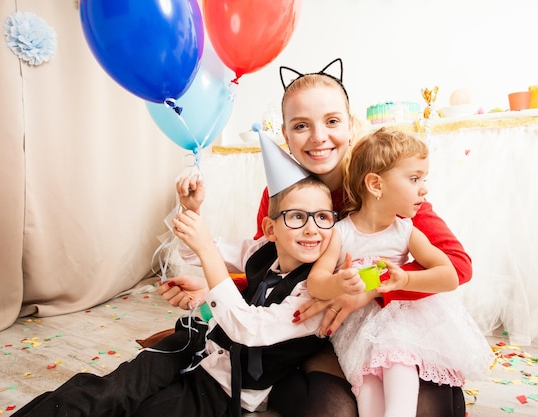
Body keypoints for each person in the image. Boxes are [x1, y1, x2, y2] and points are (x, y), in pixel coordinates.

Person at [165, 59, 474, 417]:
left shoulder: (386, 187)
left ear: (351, 123)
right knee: (333, 412)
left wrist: (369, 289)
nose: (318, 137)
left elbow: (457, 267)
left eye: (331, 121)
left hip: (390, 331)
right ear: (285, 133)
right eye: (301, 126)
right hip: (318, 340)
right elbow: (268, 272)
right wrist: (213, 289)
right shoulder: (280, 195)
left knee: (428, 409)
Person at [12, 135, 337, 417]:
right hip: (192, 342)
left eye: (322, 217)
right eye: (296, 216)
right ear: (270, 229)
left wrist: (207, 251)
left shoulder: (319, 289)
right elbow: (189, 253)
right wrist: (192, 213)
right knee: (105, 392)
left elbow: (247, 330)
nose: (312, 228)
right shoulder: (258, 250)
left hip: (222, 386)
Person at [307, 127, 495, 417]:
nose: (424, 188)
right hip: (358, 332)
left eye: (423, 178)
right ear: (376, 185)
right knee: (367, 391)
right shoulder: (341, 233)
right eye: (414, 178)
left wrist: (405, 279)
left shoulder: (406, 231)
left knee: (399, 374)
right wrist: (338, 282)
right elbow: (316, 284)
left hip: (402, 324)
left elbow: (449, 275)